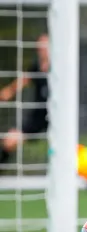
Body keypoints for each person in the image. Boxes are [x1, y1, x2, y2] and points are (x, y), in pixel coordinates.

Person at [0, 34, 49, 168]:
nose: (41, 49)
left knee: (67, 148)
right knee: (9, 140)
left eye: (44, 46)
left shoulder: (61, 68)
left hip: (57, 117)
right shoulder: (36, 67)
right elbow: (24, 79)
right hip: (38, 118)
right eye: (39, 46)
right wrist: (8, 92)